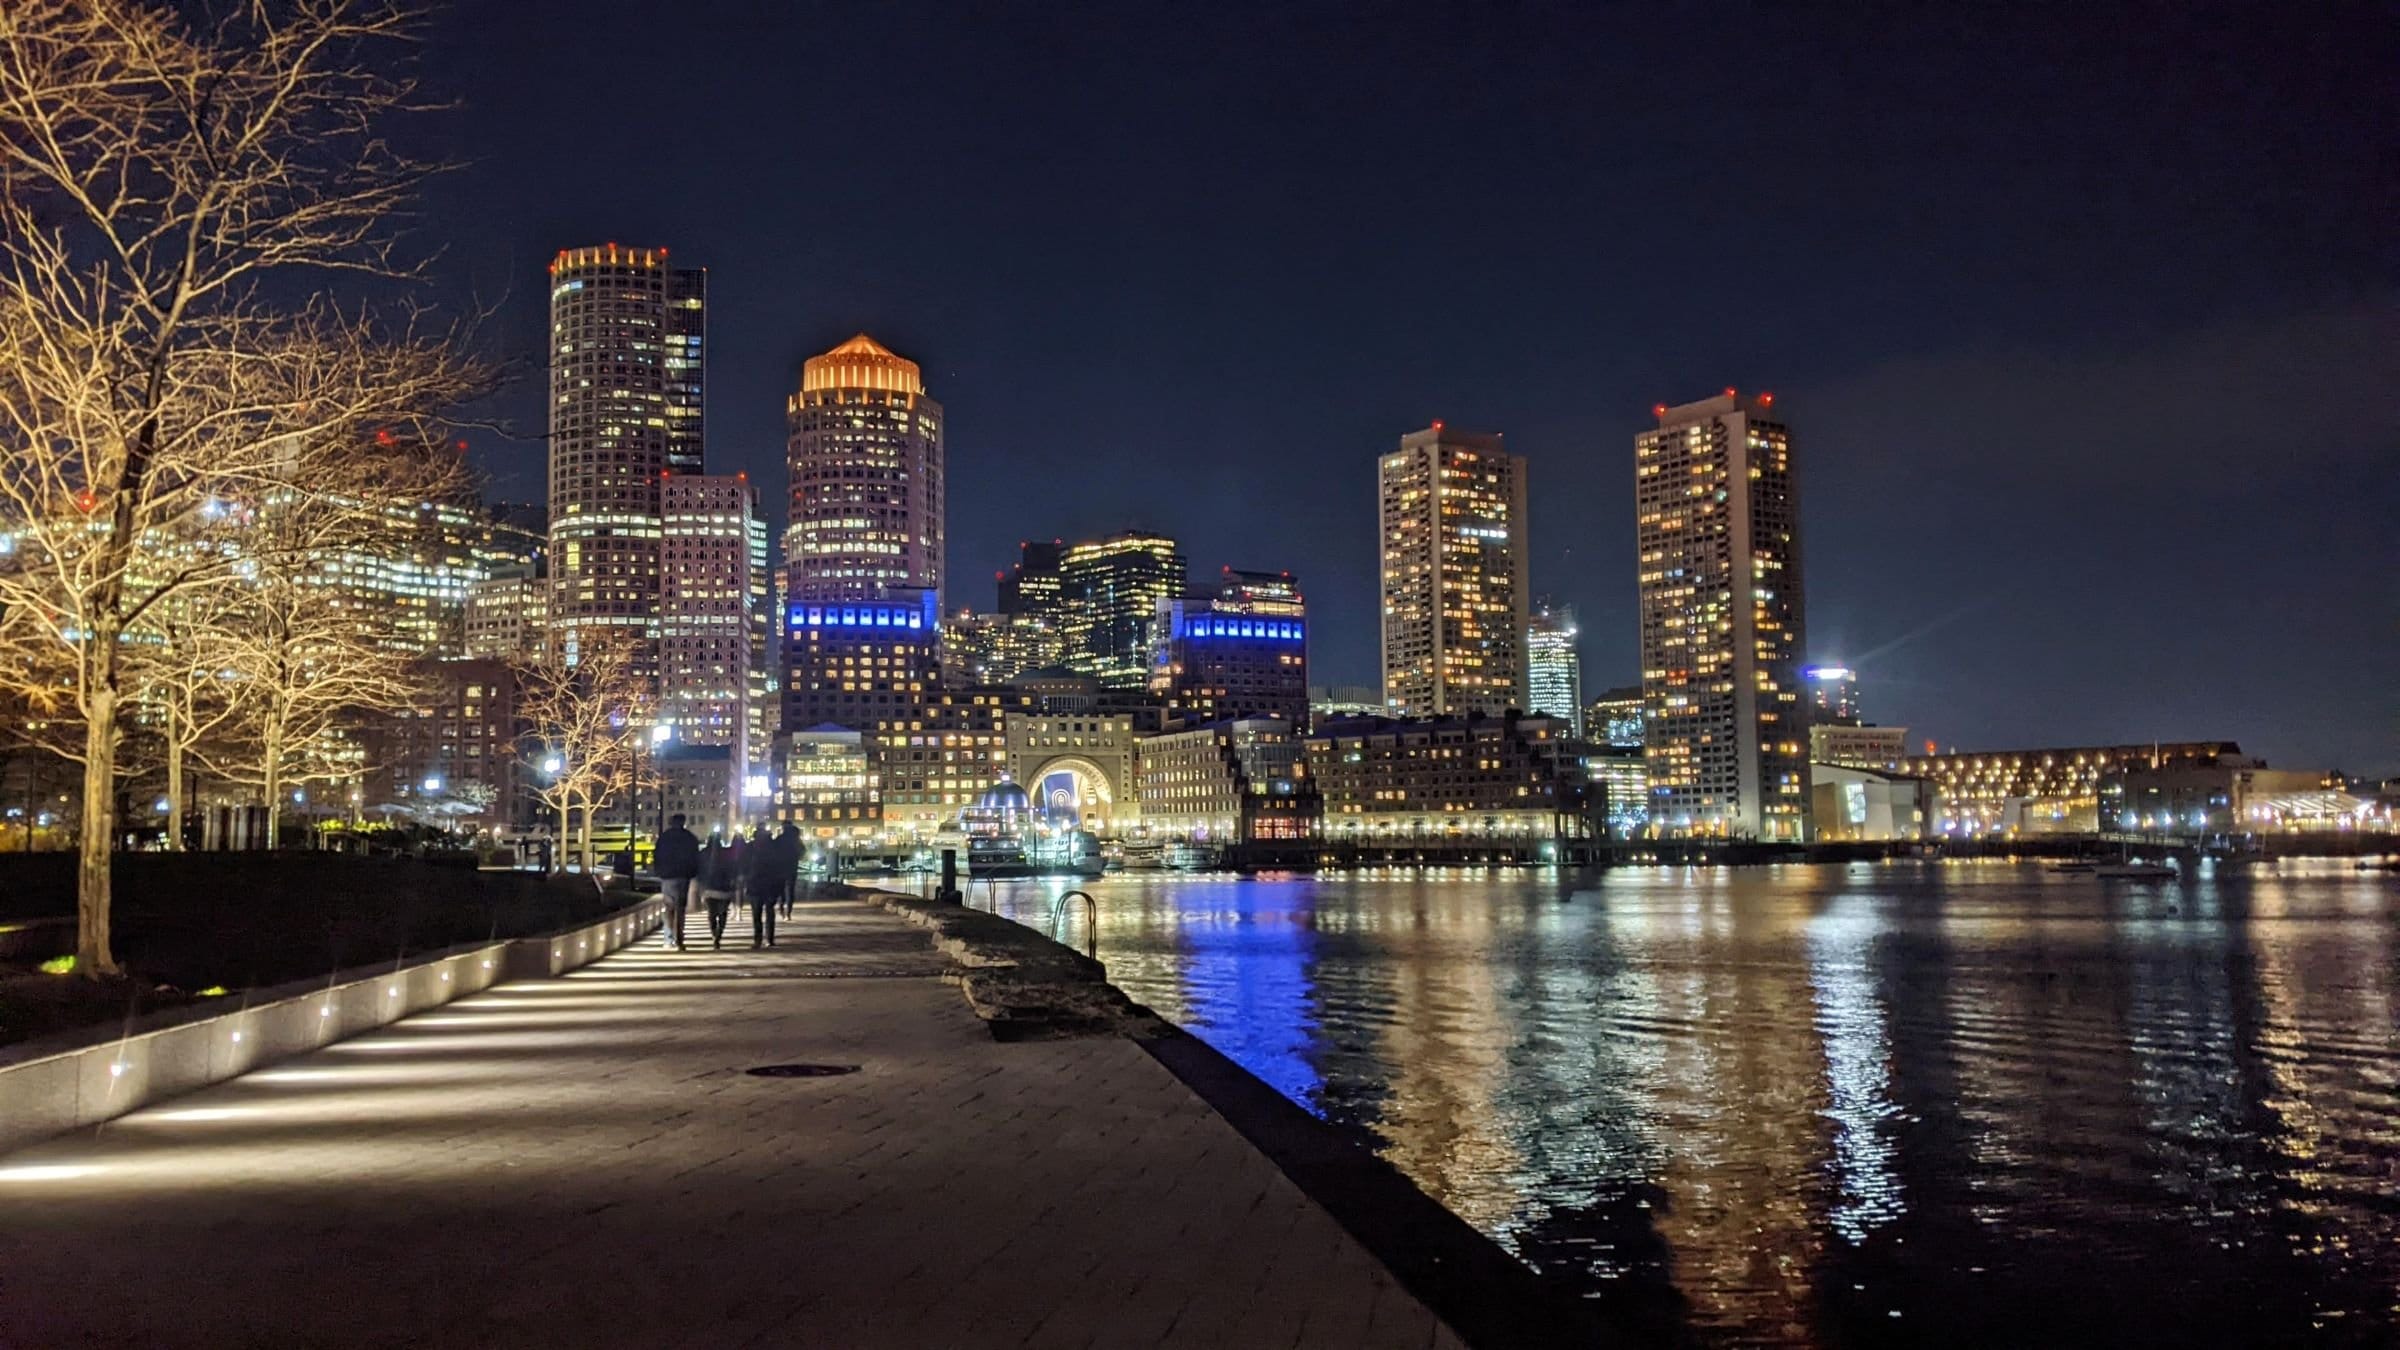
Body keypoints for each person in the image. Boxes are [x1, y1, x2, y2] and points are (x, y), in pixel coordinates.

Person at [652, 814, 700, 950]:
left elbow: (657, 855)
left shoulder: (665, 838)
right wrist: (693, 873)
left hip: (667, 877)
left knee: (669, 908)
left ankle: (668, 939)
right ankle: (679, 940)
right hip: (683, 876)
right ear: (683, 822)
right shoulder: (690, 838)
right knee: (680, 909)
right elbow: (695, 858)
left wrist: (659, 872)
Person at [699, 830, 741, 949]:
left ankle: (714, 933)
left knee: (711, 914)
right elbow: (733, 869)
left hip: (709, 890)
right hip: (724, 890)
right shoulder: (726, 854)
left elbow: (699, 871)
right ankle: (719, 934)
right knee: (723, 914)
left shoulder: (703, 853)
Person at [744, 822, 783, 948]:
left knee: (756, 914)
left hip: (754, 883)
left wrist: (744, 879)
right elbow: (779, 867)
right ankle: (770, 939)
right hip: (770, 884)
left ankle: (758, 939)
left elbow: (743, 864)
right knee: (770, 912)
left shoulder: (750, 847)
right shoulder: (774, 846)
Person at [775, 820, 804, 918]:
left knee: (781, 889)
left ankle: (781, 908)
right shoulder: (796, 840)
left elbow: (773, 852)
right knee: (790, 890)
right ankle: (788, 912)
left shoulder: (780, 839)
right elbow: (802, 851)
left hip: (780, 868)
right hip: (792, 867)